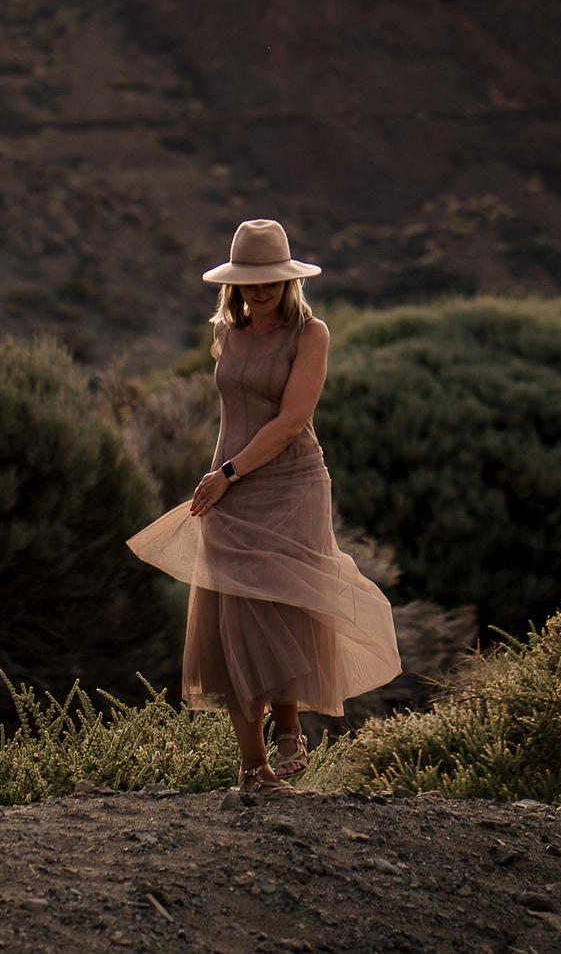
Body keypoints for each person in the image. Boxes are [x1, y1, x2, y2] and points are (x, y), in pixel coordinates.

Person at [125, 219, 400, 794]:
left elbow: (292, 419)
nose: (259, 290)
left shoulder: (311, 334)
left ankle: (290, 726)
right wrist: (222, 474)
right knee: (233, 616)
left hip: (291, 481)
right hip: (230, 479)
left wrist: (226, 472)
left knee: (283, 604)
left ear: (288, 280)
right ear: (234, 286)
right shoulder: (226, 332)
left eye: (270, 280)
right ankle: (256, 770)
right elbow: (236, 412)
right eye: (249, 282)